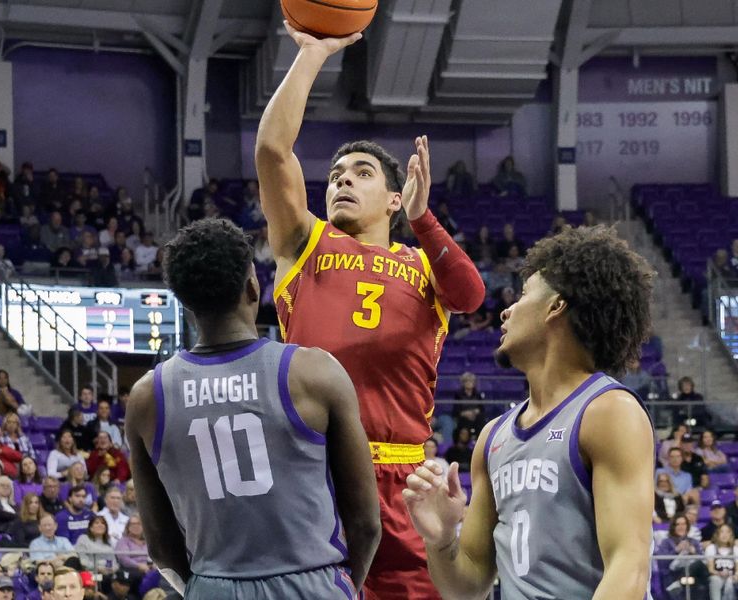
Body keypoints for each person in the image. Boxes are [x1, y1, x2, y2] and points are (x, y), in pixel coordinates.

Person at [255, 24, 484, 600]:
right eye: (334, 176)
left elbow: (472, 297)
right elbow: (271, 152)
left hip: (404, 477)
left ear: (392, 197)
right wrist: (310, 54)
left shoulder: (423, 260)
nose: (341, 183)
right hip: (315, 470)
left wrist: (424, 219)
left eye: (361, 174)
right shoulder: (304, 245)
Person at [125, 218, 381, 598]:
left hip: (213, 585)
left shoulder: (147, 397)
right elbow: (366, 524)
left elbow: (160, 547)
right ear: (253, 286)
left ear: (184, 300)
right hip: (313, 581)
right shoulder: (313, 373)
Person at [404, 225, 656, 599]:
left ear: (556, 306)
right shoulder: (493, 436)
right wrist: (441, 539)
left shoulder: (608, 411)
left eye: (522, 295)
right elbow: (468, 586)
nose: (506, 310)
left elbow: (629, 568)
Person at [706, 523, 738, 600]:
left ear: (731, 535)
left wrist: (735, 576)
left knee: (730, 582)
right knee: (715, 580)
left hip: (731, 577)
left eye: (727, 532)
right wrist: (719, 573)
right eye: (722, 532)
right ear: (717, 534)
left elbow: (737, 569)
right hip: (717, 576)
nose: (725, 535)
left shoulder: (735, 549)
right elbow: (710, 569)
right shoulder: (711, 548)